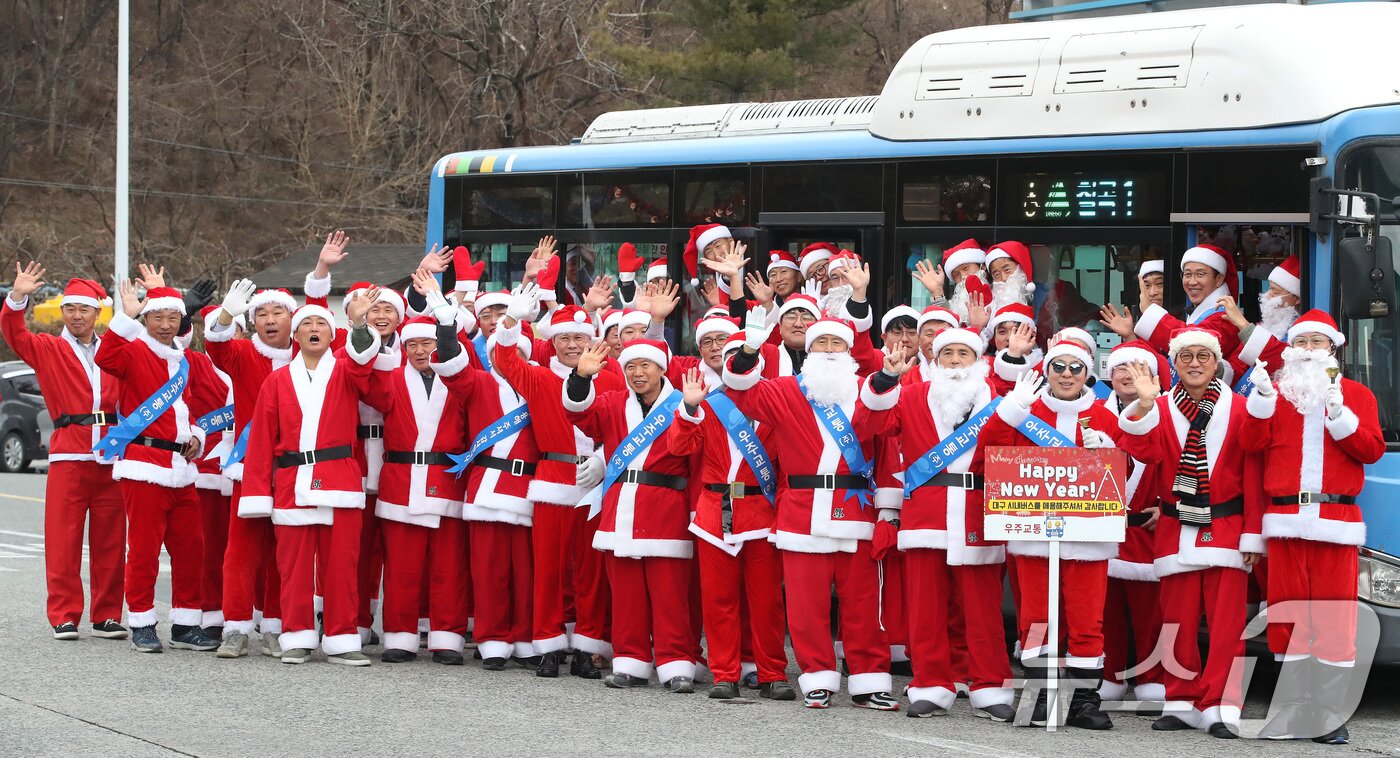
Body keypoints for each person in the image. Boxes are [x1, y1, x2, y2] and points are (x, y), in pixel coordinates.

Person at [724, 311, 911, 710]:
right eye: (820, 344)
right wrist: (749, 350)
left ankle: (868, 681)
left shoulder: (868, 389)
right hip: (801, 513)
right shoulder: (786, 390)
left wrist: (887, 512)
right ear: (808, 351)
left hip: (855, 511)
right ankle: (817, 678)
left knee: (863, 606)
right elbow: (742, 394)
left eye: (836, 344)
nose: (828, 351)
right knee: (807, 607)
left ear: (849, 351)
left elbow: (883, 432)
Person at [1241, 310, 1384, 744]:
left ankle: (1327, 712)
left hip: (1335, 521)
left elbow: (1372, 451)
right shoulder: (1277, 395)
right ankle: (1294, 707)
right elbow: (1250, 445)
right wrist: (1261, 402)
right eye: (1301, 343)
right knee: (1287, 616)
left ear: (1333, 349)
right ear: (1290, 349)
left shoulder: (1358, 395)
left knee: (1333, 619)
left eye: (1316, 343)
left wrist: (1342, 417)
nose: (1307, 351)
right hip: (1284, 522)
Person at [1116, 327, 1264, 738]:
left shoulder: (1240, 408)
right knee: (1176, 622)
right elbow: (1139, 451)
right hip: (1175, 527)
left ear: (1217, 363)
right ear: (1175, 365)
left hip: (1228, 528)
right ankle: (1180, 700)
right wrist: (1144, 404)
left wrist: (1254, 535)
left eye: (1203, 356)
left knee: (1227, 626)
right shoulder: (1160, 407)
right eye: (1186, 357)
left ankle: (1221, 704)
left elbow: (1254, 474)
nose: (1195, 364)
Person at [869, 326, 1016, 720]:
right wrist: (886, 377)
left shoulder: (1000, 403)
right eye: (946, 353)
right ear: (935, 359)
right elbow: (875, 424)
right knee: (926, 609)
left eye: (962, 354)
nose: (954, 361)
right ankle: (931, 685)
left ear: (977, 361)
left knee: (983, 610)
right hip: (926, 514)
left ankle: (990, 687)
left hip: (978, 512)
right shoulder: (912, 395)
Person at [981, 334, 1122, 730]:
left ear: (1087, 373)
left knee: (1086, 619)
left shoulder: (1104, 414)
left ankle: (1082, 700)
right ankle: (1041, 694)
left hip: (1088, 538)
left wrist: (1106, 451)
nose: (1065, 374)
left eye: (1075, 368)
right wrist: (1012, 408)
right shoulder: (1029, 408)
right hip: (1034, 533)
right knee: (1036, 617)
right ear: (1047, 370)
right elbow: (991, 448)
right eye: (1057, 367)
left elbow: (1126, 472)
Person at [239, 296, 383, 666]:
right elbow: (259, 445)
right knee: (294, 568)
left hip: (340, 479)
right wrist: (258, 494)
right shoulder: (275, 381)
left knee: (342, 566)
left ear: (332, 333)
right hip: (292, 481)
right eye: (306, 325)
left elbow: (364, 356)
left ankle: (340, 637)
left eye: (321, 324)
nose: (314, 330)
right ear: (295, 336)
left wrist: (359, 324)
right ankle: (297, 635)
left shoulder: (347, 371)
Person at [495, 287, 620, 678]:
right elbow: (503, 359)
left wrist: (603, 459)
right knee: (547, 570)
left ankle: (586, 647)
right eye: (564, 338)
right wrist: (513, 320)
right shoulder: (539, 378)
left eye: (579, 338)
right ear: (553, 342)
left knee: (590, 572)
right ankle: (547, 645)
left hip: (595, 481)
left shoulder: (614, 377)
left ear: (592, 341)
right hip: (552, 477)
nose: (572, 345)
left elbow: (624, 424)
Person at [564, 339, 700, 692]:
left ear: (662, 369)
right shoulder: (611, 402)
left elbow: (695, 458)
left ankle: (675, 663)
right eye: (630, 367)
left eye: (645, 366)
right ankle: (631, 662)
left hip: (666, 506)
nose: (637, 374)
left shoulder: (684, 403)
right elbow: (579, 414)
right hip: (621, 504)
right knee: (626, 595)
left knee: (670, 595)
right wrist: (581, 377)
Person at [1, 265, 126, 641]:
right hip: (69, 455)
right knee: (62, 540)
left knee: (110, 541)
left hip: (110, 456)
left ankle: (106, 615)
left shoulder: (115, 352)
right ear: (63, 312)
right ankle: (64, 615)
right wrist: (18, 299)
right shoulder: (49, 348)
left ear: (96, 313)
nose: (76, 315)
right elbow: (14, 333)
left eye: (84, 309)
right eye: (70, 308)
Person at [95, 283, 220, 654]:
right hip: (144, 467)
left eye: (173, 317)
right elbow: (106, 357)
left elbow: (193, 406)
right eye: (157, 317)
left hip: (182, 466)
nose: (165, 324)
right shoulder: (134, 353)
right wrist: (127, 313)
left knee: (190, 549)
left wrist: (197, 435)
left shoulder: (182, 360)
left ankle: (184, 624)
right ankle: (143, 622)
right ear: (146, 319)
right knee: (145, 551)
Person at [669, 338, 794, 701]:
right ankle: (725, 673)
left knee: (767, 599)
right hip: (714, 511)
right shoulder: (706, 403)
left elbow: (787, 465)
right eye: (729, 359)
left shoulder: (777, 407)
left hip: (761, 512)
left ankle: (772, 673)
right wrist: (688, 409)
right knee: (718, 599)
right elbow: (680, 448)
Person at [360, 295, 472, 666]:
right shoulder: (391, 378)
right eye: (413, 344)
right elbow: (365, 381)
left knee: (448, 567)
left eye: (428, 342)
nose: (421, 350)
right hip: (401, 479)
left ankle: (447, 637)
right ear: (403, 347)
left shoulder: (458, 381)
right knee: (401, 567)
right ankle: (400, 636)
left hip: (446, 477)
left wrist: (447, 319)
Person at [206, 279, 298, 658]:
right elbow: (216, 346)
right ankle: (236, 627)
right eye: (262, 314)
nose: (270, 320)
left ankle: (275, 626)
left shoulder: (310, 356)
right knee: (240, 551)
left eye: (278, 313)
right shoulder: (243, 354)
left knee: (284, 552)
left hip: (293, 470)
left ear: (293, 318)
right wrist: (226, 312)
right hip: (250, 468)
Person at [1096, 341, 1168, 710]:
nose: (1128, 375)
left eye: (1138, 368)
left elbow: (1182, 461)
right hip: (1102, 529)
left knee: (1150, 613)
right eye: (1122, 368)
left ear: (1153, 376)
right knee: (1105, 611)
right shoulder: (1093, 414)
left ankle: (1152, 679)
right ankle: (1110, 676)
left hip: (1147, 528)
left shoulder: (1169, 413)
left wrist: (1167, 505)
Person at [1132, 244, 1244, 359]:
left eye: (1200, 274)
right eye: (1187, 274)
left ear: (1219, 279)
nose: (1192, 282)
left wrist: (1149, 313)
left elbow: (1193, 345)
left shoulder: (1225, 316)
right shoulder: (1197, 312)